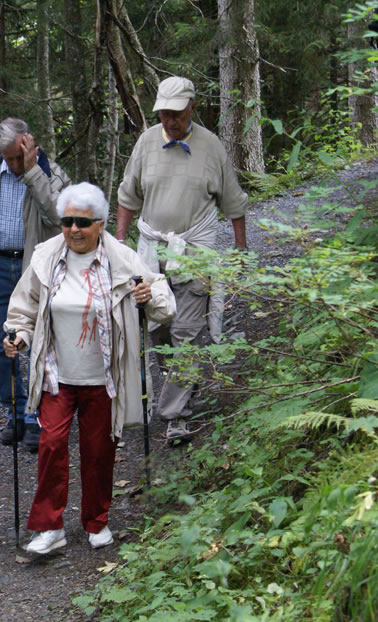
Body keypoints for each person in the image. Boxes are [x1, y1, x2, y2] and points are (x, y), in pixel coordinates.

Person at [3, 182, 175, 554]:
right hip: (56, 373)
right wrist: (18, 335)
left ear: (100, 224)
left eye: (82, 222)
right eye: (67, 222)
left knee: (99, 450)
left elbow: (162, 301)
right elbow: (23, 309)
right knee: (50, 445)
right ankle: (50, 527)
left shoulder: (122, 258)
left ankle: (97, 520)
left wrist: (148, 296)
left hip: (104, 375)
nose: (73, 229)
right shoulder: (46, 258)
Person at [115, 76, 248, 443]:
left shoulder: (211, 146)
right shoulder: (147, 142)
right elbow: (128, 196)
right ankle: (184, 387)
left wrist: (240, 251)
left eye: (176, 113)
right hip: (151, 254)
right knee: (158, 329)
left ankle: (176, 414)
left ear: (192, 107)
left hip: (194, 252)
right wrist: (120, 243)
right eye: (164, 114)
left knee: (187, 333)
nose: (169, 121)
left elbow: (233, 202)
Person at [0, 117, 71, 452]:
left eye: (17, 156)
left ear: (29, 144)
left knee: (38, 342)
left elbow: (59, 218)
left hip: (35, 269)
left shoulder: (53, 175)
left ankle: (36, 415)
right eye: (7, 157)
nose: (12, 163)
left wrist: (32, 171)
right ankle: (15, 413)